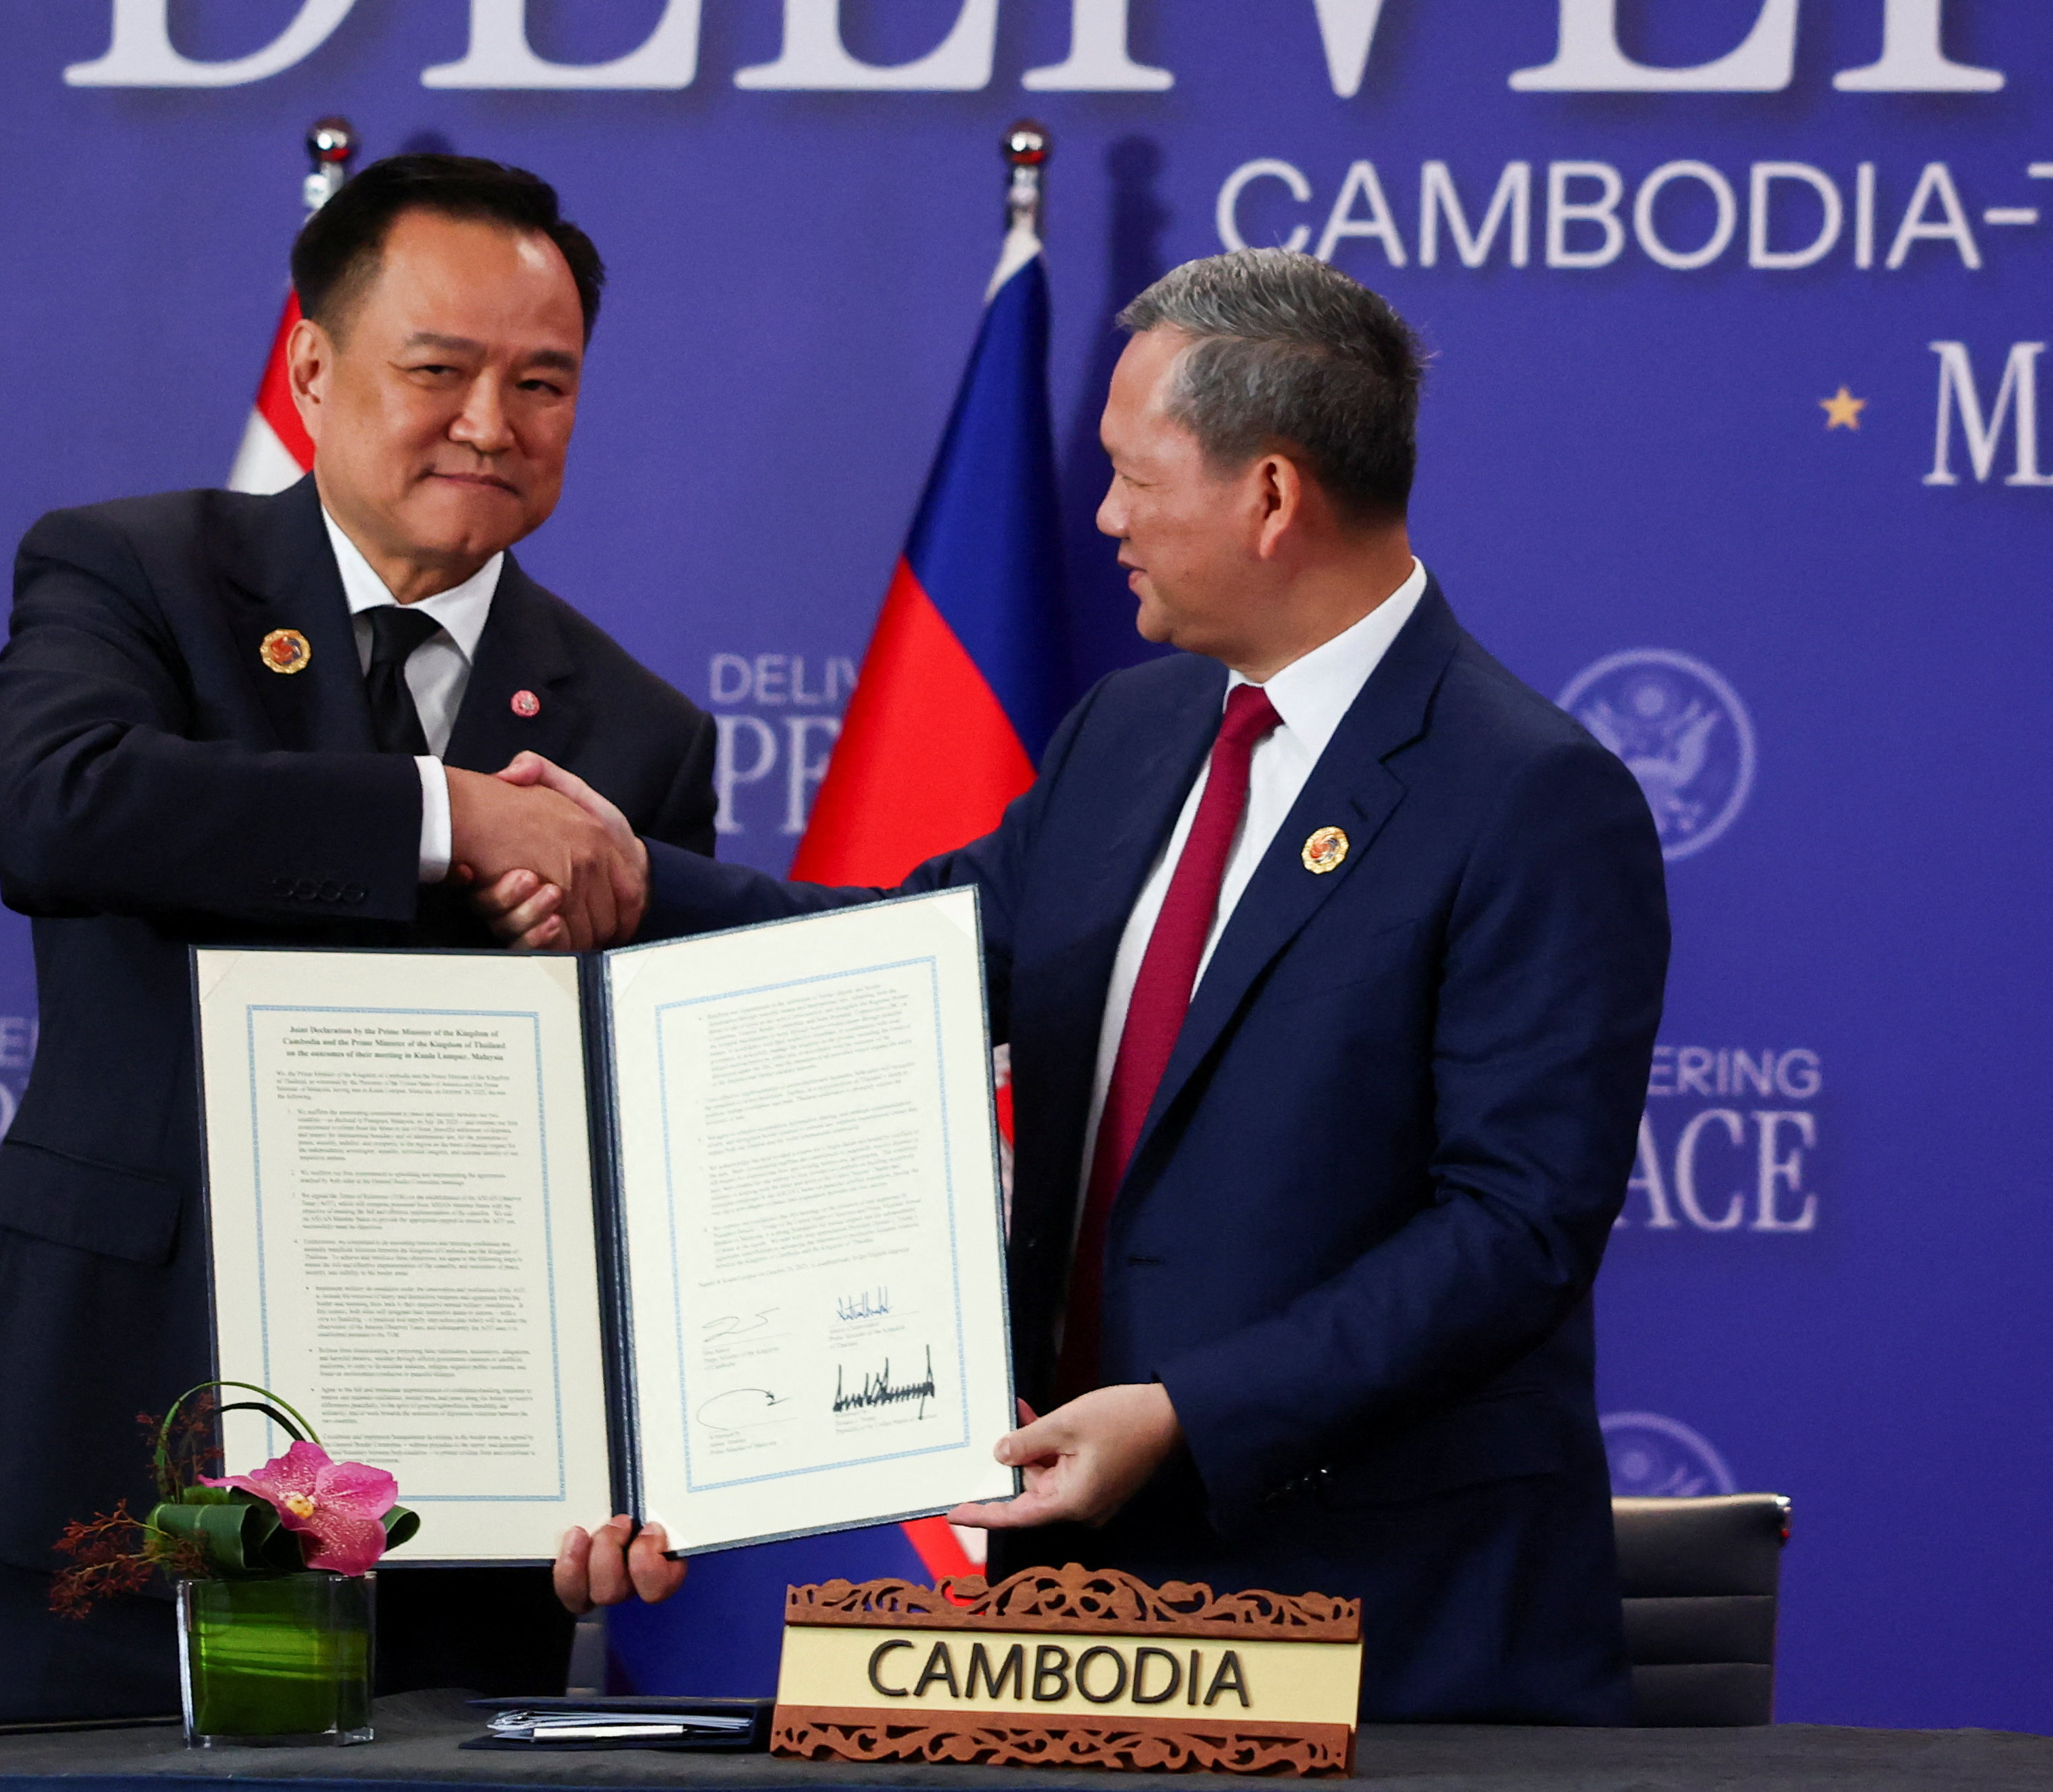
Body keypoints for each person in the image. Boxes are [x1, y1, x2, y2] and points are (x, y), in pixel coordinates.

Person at [493, 249, 1668, 1723]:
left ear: (1269, 495)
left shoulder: (1529, 796)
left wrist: (1189, 1415)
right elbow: (903, 968)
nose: (1102, 515)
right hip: (1085, 1596)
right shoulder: (1131, 729)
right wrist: (638, 879)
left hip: (1390, 1629)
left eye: (1130, 474)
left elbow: (1511, 1232)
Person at [0, 154, 702, 1722]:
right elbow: (57, 810)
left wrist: (639, 1457)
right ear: (313, 367)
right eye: (438, 369)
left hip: (464, 1484)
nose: (489, 422)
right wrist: (451, 819)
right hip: (103, 1433)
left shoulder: (638, 735)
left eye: (542, 382)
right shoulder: (132, 573)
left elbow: (636, 1142)